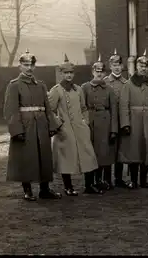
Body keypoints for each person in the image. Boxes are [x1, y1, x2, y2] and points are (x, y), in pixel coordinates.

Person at [3, 49, 62, 201]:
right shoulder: (14, 85)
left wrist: (52, 125)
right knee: (26, 158)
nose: (29, 68)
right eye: (26, 64)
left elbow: (48, 108)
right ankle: (27, 190)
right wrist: (16, 130)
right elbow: (11, 110)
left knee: (43, 157)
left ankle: (45, 189)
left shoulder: (41, 85)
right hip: (25, 126)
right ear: (20, 66)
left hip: (41, 124)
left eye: (31, 65)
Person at [48, 54, 101, 195]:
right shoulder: (56, 90)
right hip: (64, 129)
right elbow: (50, 110)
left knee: (88, 155)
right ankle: (68, 187)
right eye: (66, 73)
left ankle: (89, 186)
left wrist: (85, 122)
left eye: (71, 73)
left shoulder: (78, 89)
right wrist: (58, 125)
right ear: (61, 74)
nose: (69, 75)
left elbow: (84, 108)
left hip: (80, 127)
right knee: (66, 158)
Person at [118, 50, 148, 188]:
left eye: (146, 66)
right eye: (141, 65)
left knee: (147, 151)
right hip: (134, 120)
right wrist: (125, 123)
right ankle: (133, 180)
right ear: (136, 67)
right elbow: (124, 105)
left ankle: (143, 180)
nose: (144, 68)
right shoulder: (128, 84)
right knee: (135, 150)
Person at [82, 54, 118, 191]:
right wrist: (84, 123)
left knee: (103, 154)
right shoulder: (85, 87)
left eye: (101, 71)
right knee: (90, 153)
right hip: (90, 122)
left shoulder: (109, 89)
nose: (99, 73)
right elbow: (82, 107)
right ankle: (88, 183)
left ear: (105, 73)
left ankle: (100, 180)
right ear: (92, 72)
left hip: (105, 123)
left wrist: (113, 129)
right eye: (96, 71)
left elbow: (114, 110)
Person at [103, 49, 131, 189]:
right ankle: (107, 179)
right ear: (110, 66)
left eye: (119, 64)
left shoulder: (127, 83)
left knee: (121, 150)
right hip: (108, 121)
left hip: (122, 120)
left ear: (122, 66)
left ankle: (118, 178)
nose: (117, 67)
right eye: (114, 65)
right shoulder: (105, 82)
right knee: (108, 150)